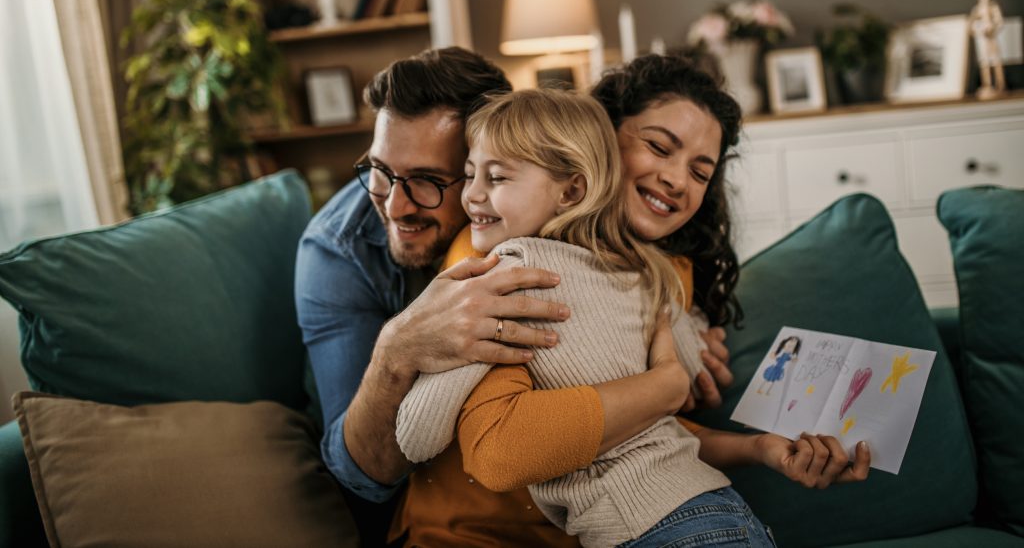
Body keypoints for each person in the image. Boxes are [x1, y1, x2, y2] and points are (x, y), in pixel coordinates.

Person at [295, 47, 735, 547]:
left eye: (430, 181)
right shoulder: (361, 250)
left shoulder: (655, 265)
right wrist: (399, 348)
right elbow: (370, 472)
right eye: (380, 171)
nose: (396, 204)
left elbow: (649, 435)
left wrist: (689, 346)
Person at [395, 88, 776, 547]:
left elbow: (414, 438)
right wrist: (686, 348)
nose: (472, 195)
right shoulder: (648, 272)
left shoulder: (507, 269)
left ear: (573, 188)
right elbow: (679, 378)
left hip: (661, 529)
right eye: (471, 174)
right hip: (720, 514)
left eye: (700, 171)